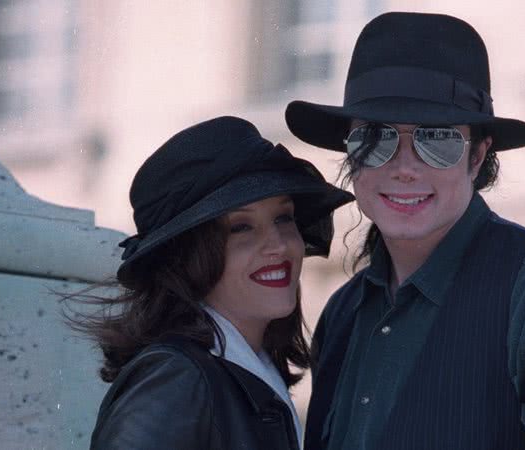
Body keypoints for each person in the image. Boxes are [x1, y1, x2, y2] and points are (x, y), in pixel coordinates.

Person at [285, 12, 525, 450]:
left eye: (437, 141)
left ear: (478, 157)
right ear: (351, 155)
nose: (404, 168)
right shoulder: (343, 316)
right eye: (376, 138)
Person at [68, 116, 353, 449]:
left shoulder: (246, 371)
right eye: (240, 228)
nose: (278, 244)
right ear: (189, 256)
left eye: (283, 218)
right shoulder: (177, 379)